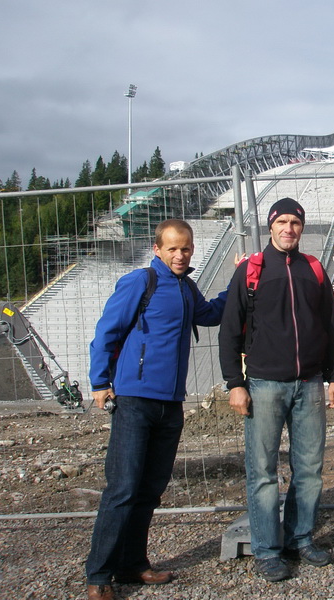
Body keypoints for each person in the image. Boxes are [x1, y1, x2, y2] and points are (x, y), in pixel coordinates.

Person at [85, 219, 228, 600]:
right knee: (123, 487)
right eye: (173, 248)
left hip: (171, 403)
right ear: (157, 249)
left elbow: (209, 314)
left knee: (150, 489)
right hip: (135, 400)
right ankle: (99, 575)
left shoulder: (186, 287)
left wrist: (240, 283)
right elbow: (107, 331)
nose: (180, 255)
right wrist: (100, 381)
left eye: (186, 248)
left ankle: (133, 564)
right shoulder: (141, 282)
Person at [218, 197, 334, 582]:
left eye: (295, 222)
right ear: (271, 226)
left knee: (309, 469)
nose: (289, 228)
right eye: (282, 222)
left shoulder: (313, 269)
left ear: (301, 227)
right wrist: (235, 383)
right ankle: (267, 549)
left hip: (309, 383)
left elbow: (332, 325)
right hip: (264, 384)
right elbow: (229, 330)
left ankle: (299, 538)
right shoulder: (252, 270)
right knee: (263, 472)